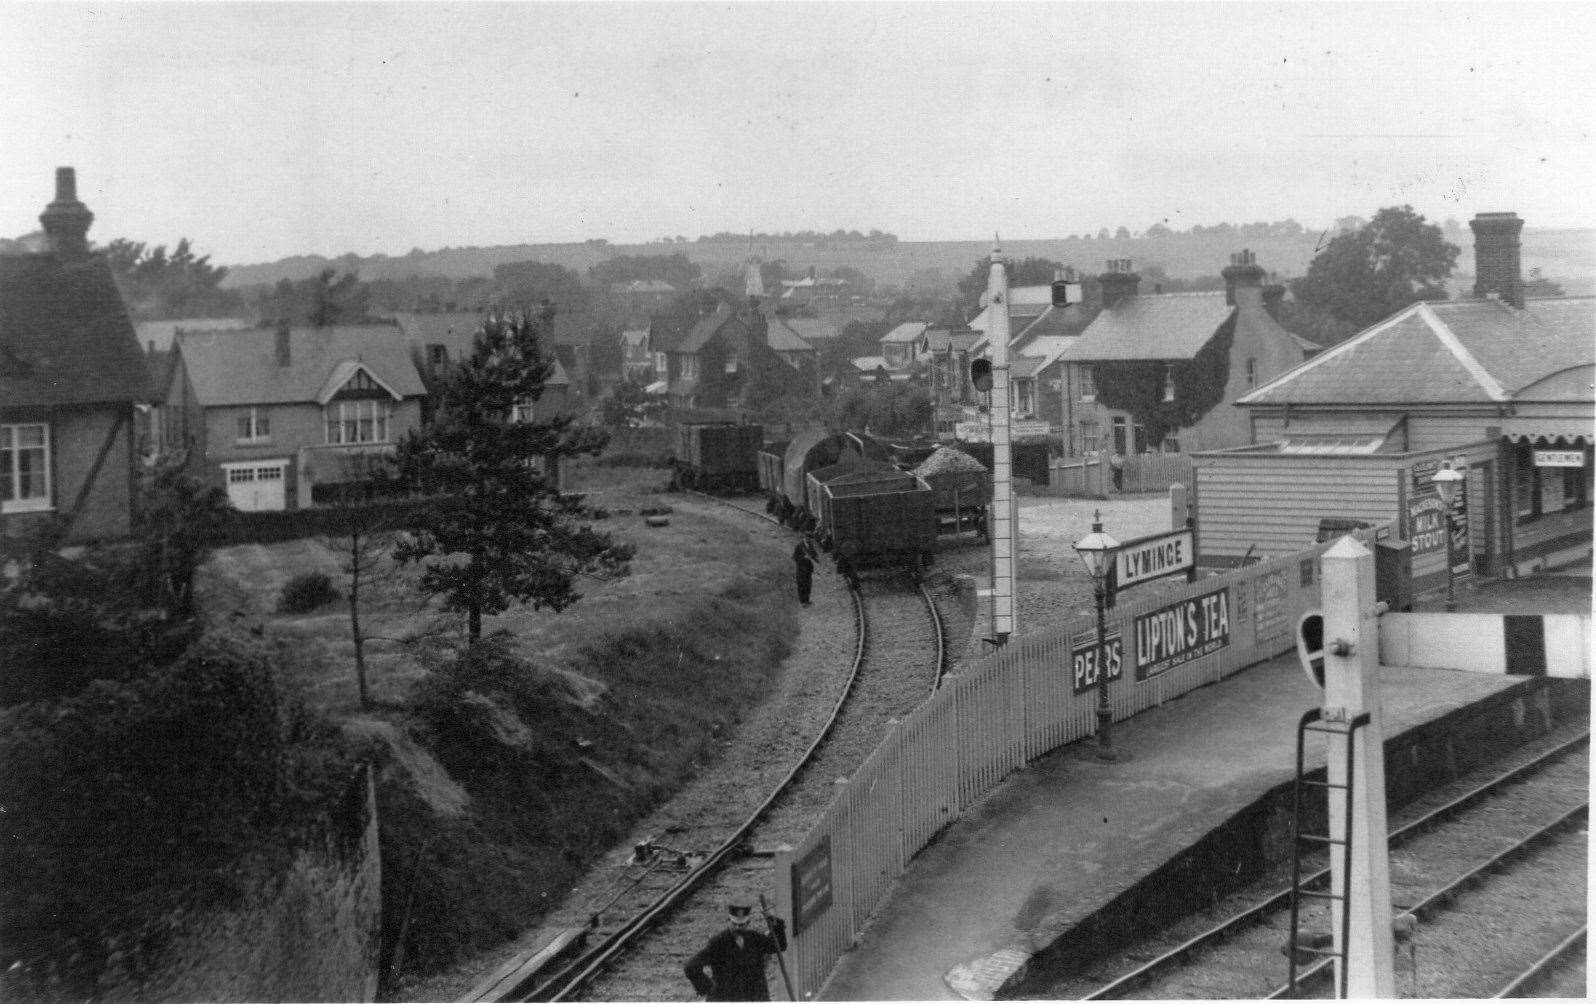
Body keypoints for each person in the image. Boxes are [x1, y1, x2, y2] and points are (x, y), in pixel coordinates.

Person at [684, 898, 788, 1001]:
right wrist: (707, 988)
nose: (738, 928)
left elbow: (779, 946)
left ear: (748, 922)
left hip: (754, 996)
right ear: (729, 921)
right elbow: (691, 966)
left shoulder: (755, 938)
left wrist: (776, 925)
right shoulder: (718, 943)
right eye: (734, 924)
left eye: (742, 924)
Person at [793, 537, 816, 606]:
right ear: (805, 538)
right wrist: (803, 557)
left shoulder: (810, 544)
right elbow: (795, 557)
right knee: (801, 585)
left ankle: (807, 600)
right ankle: (802, 602)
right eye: (808, 539)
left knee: (808, 585)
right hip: (801, 569)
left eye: (810, 539)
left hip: (808, 568)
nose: (809, 540)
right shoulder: (799, 546)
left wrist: (815, 556)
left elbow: (813, 553)